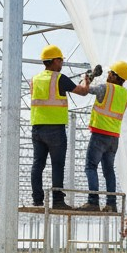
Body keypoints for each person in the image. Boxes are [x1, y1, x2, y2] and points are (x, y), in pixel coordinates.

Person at [29, 44, 91, 209]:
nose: (62, 63)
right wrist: (87, 81)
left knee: (38, 164)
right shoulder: (59, 78)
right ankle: (57, 201)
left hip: (37, 127)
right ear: (55, 61)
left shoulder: (34, 79)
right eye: (61, 60)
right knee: (57, 164)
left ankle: (37, 199)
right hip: (55, 128)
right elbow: (83, 92)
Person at [80, 61, 127, 212]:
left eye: (110, 73)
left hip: (99, 135)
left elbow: (86, 90)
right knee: (109, 170)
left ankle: (93, 202)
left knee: (91, 167)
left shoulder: (105, 88)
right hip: (114, 138)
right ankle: (111, 204)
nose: (108, 75)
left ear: (115, 76)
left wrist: (87, 78)